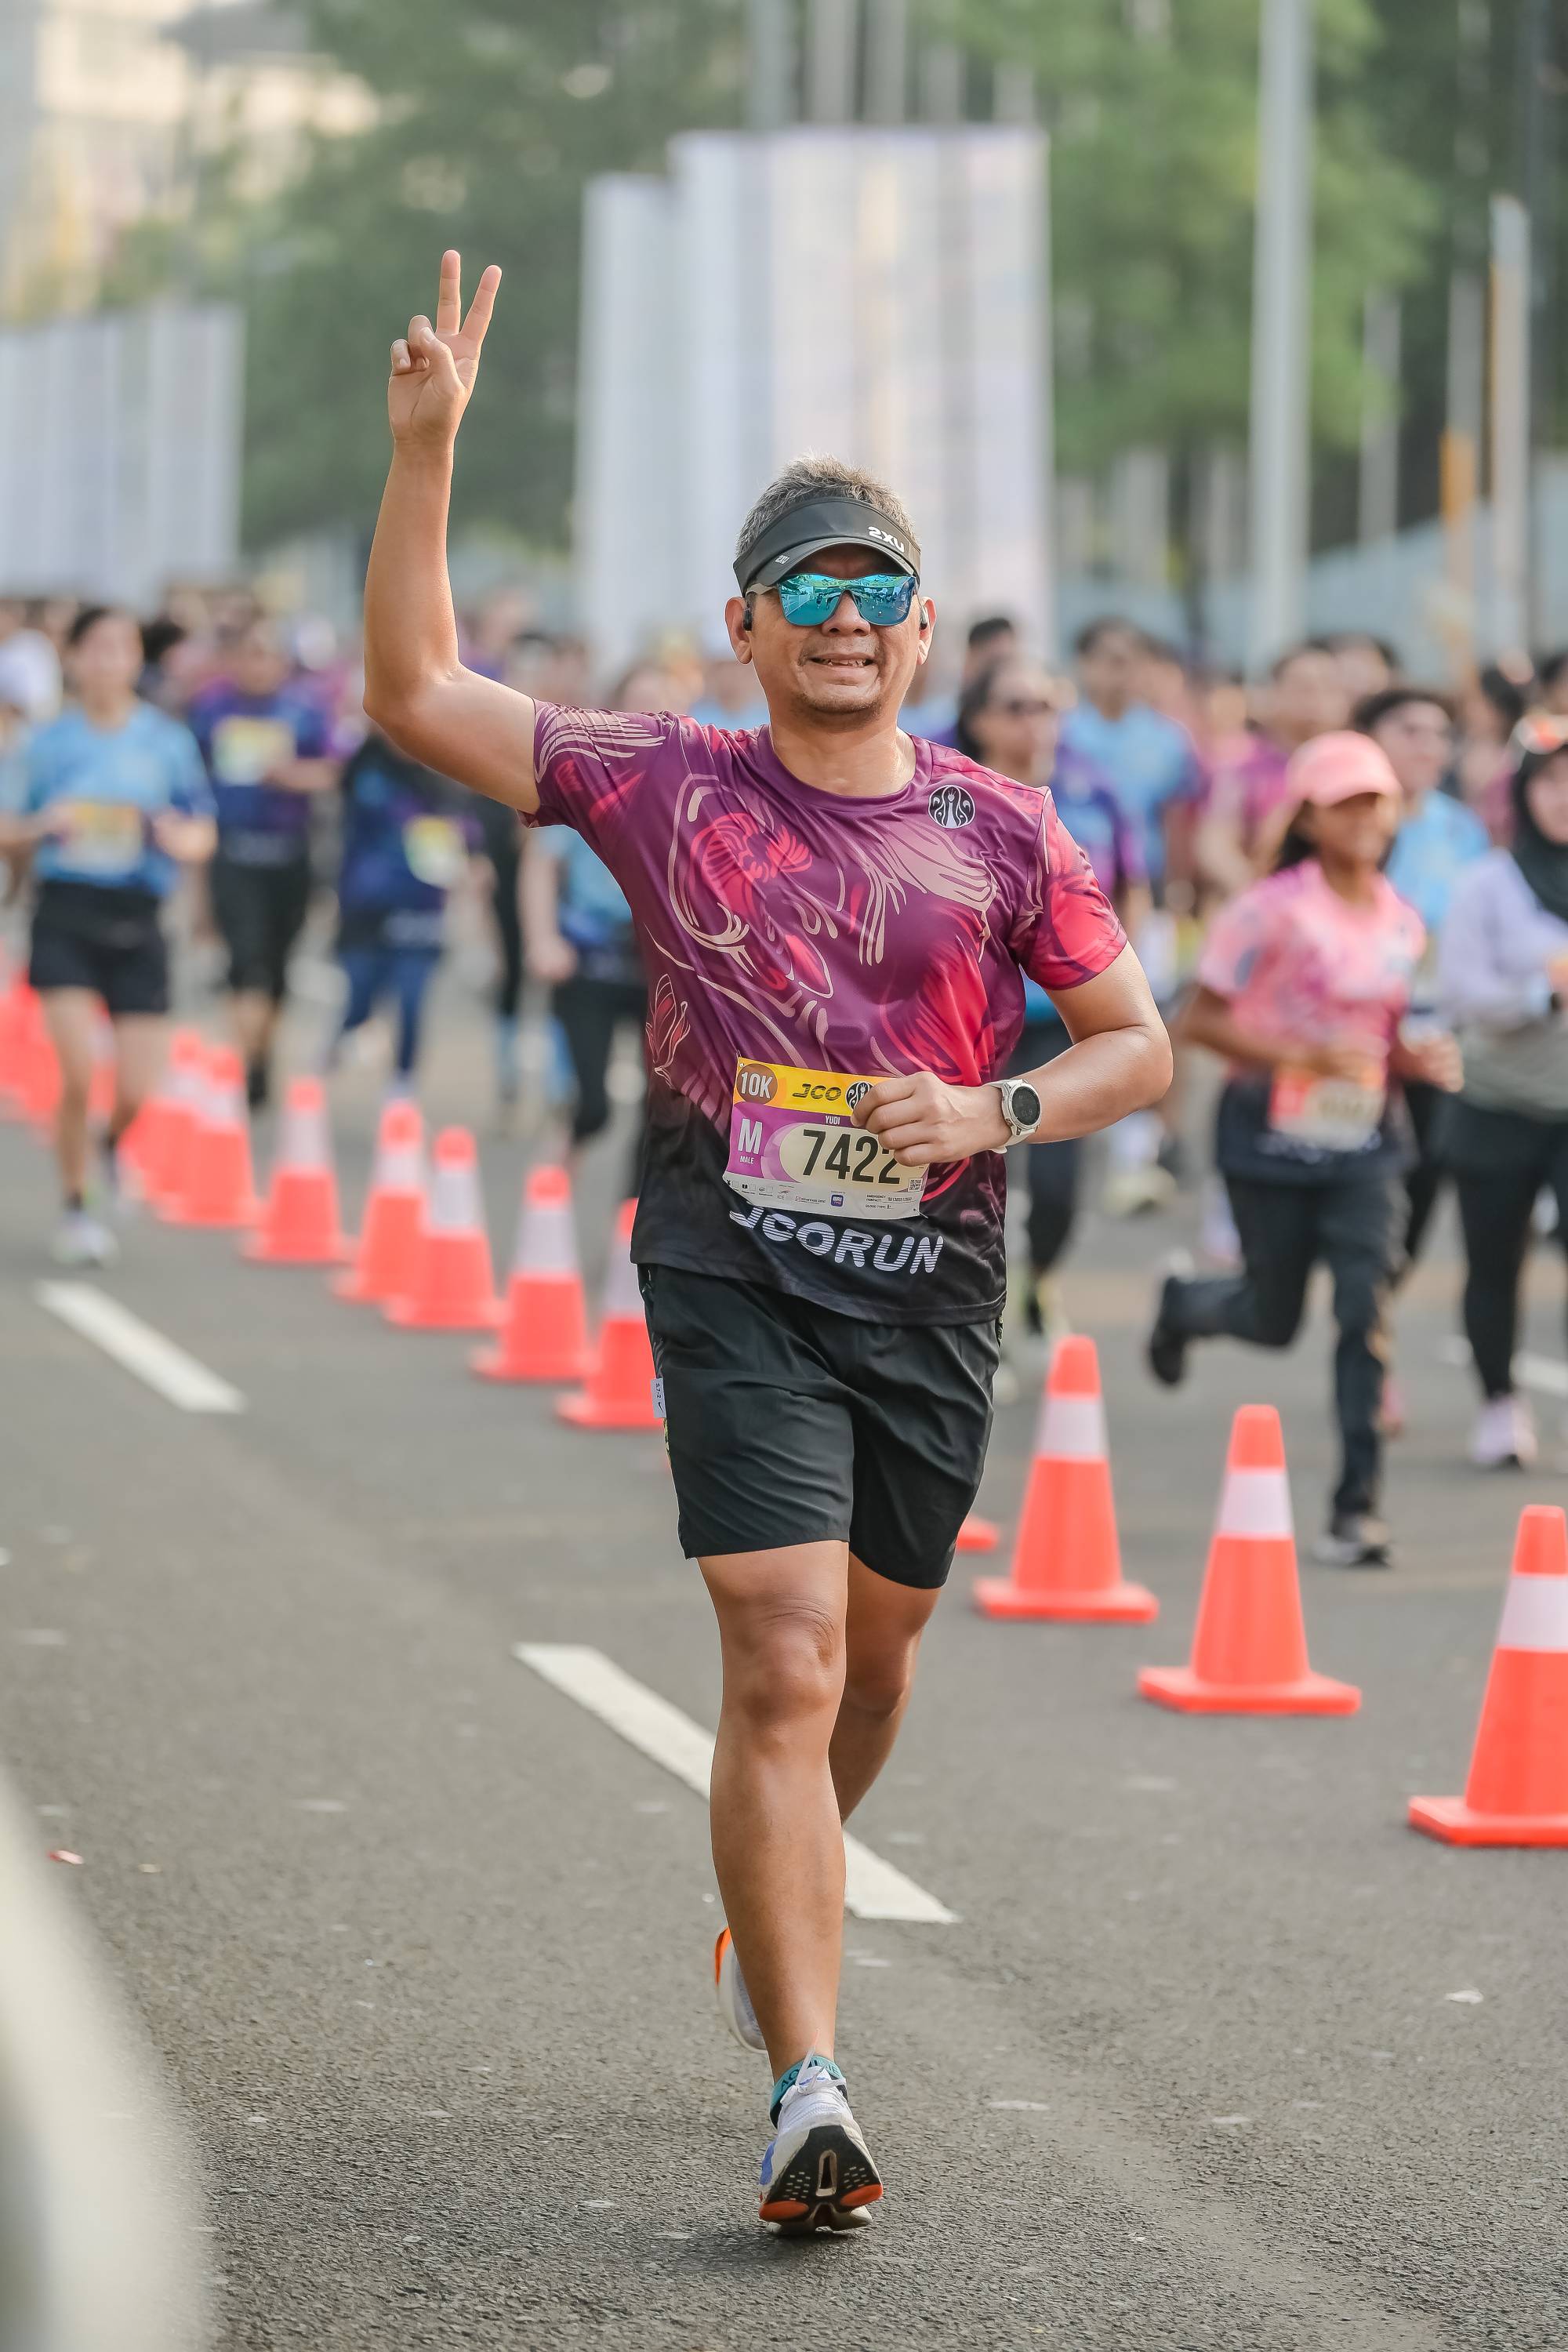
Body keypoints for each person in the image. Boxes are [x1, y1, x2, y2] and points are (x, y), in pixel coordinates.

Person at [362, 252, 1170, 2230]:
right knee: (783, 1652)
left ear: (923, 631)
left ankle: (770, 1887)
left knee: (871, 1671)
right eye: (807, 588)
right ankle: (810, 2080)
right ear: (743, 627)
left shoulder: (1005, 830)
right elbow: (411, 694)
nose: (846, 616)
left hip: (931, 1284)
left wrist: (989, 1110)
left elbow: (1134, 1046)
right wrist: (427, 455)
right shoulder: (665, 783)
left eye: (878, 587)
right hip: (729, 1256)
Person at [1147, 732, 1457, 1567]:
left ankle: (1357, 1508)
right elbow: (1196, 1021)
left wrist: (1414, 1061)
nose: (1363, 818)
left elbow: (1382, 1033)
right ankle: (1184, 1305)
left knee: (1365, 1311)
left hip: (1367, 1143)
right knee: (1272, 1318)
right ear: (1309, 816)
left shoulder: (1400, 918)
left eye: (1375, 803)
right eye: (1344, 804)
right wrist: (1301, 1057)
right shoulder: (1268, 909)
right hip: (1267, 1135)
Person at [0, 605, 215, 1263]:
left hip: (138, 915)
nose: (107, 659)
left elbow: (201, 831)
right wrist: (45, 825)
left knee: (135, 1089)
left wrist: (173, 836)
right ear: (72, 657)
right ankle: (76, 1206)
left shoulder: (166, 740)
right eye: (94, 646)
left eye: (121, 647)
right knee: (76, 1073)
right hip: (67, 911)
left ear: (136, 659)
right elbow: (8, 826)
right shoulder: (46, 742)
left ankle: (111, 1144)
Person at [954, 655, 1147, 1331]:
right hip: (969, 1024)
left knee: (1060, 1186)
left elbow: (1131, 891)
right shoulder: (945, 795)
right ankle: (974, 1315)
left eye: (1046, 706)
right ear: (979, 720)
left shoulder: (1093, 792)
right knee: (962, 1179)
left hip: (1059, 1021)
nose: (1035, 721)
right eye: (1016, 707)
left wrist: (1124, 983)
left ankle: (1039, 1280)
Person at [1439, 732, 1568, 1468]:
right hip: (1497, 1103)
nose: (1564, 797)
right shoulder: (1488, 883)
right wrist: (1541, 993)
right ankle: (1499, 1403)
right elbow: (1462, 993)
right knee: (1494, 1261)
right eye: (1550, 781)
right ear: (1523, 792)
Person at [1363, 688, 1488, 1279]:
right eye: (1410, 731)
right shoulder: (1344, 823)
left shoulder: (1462, 830)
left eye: (1440, 735)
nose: (1428, 746)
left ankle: (1378, 1300)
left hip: (1434, 1032)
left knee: (1424, 1176)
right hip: (1350, 1036)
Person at [187, 615, 336, 1108]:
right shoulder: (212, 710)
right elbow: (190, 780)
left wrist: (292, 776)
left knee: (276, 969)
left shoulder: (305, 709)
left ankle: (262, 1056)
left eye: (268, 654)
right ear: (234, 658)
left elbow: (334, 771)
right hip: (234, 853)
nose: (259, 664)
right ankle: (246, 1063)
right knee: (245, 962)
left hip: (290, 857)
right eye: (250, 652)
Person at [328, 725, 477, 1093]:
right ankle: (331, 1054)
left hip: (422, 908)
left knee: (412, 998)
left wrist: (468, 853)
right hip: (367, 907)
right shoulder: (364, 771)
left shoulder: (450, 775)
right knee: (361, 994)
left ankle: (403, 1086)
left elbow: (472, 835)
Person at [1196, 642, 1350, 896]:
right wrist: (1261, 897)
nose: (1316, 699)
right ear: (1273, 694)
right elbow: (1215, 847)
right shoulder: (1242, 766)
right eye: (1304, 688)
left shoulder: (1352, 765)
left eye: (1327, 687)